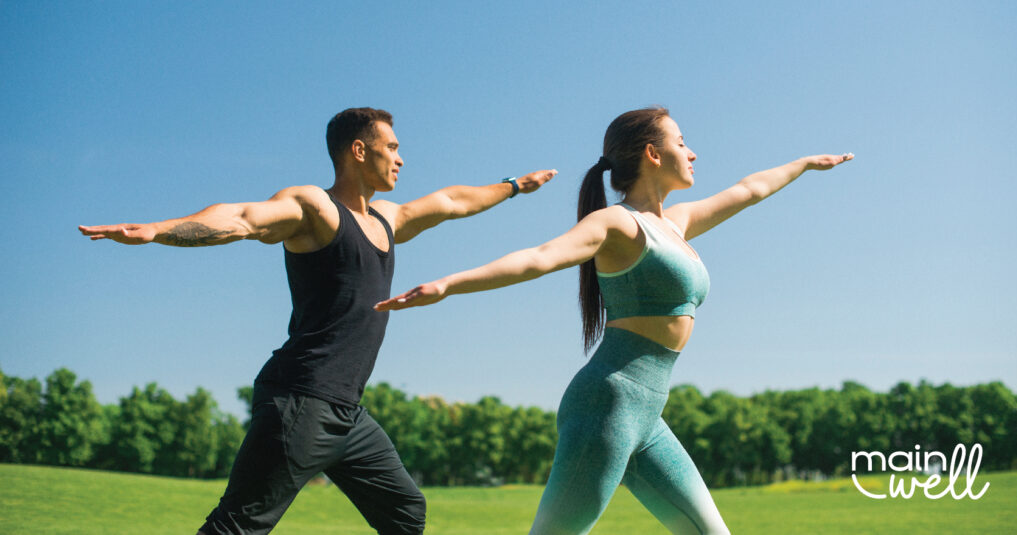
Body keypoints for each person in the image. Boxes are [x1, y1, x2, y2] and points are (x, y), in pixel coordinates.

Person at [78, 107, 557, 535]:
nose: (401, 158)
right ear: (358, 150)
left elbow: (452, 202)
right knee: (238, 525)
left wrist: (514, 186)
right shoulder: (316, 209)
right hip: (301, 400)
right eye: (391, 147)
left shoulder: (387, 218)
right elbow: (243, 217)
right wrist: (160, 230)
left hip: (347, 414)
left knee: (406, 512)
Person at [375, 107, 853, 534]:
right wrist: (447, 285)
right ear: (653, 153)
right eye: (682, 142)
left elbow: (749, 190)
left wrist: (805, 165)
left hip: (646, 416)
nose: (693, 152)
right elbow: (540, 258)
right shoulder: (619, 225)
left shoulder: (676, 224)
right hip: (606, 407)